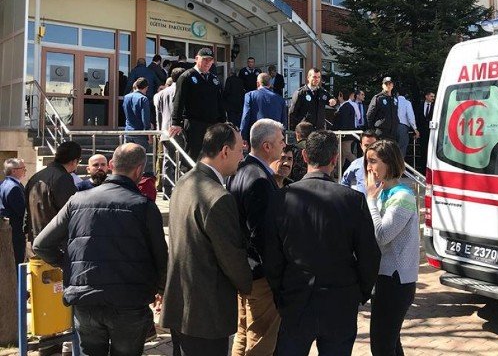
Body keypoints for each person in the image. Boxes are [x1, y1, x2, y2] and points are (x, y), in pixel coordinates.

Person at [33, 143, 167, 356]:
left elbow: (41, 244)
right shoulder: (144, 206)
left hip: (87, 299)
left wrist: (69, 265)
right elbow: (161, 256)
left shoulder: (77, 200)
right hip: (129, 301)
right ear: (139, 170)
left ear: (112, 165)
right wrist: (160, 289)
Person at [263, 130, 381, 355]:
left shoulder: (282, 197)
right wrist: (359, 292)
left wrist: (282, 292)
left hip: (297, 298)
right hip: (339, 301)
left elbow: (272, 255)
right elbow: (369, 255)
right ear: (335, 159)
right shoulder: (352, 200)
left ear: (304, 156)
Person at [160, 123, 252, 356]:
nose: (243, 157)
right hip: (206, 313)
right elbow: (230, 255)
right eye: (240, 150)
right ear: (224, 151)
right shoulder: (218, 197)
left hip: (181, 306)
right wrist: (248, 285)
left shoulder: (183, 182)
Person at [228, 119, 285, 356]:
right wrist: (276, 276)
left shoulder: (239, 170)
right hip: (260, 276)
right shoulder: (260, 179)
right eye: (281, 141)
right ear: (267, 146)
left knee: (243, 334)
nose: (285, 146)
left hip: (245, 270)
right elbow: (263, 235)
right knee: (261, 341)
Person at [364, 139, 420, 356]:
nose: (369, 167)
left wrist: (370, 200)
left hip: (397, 281)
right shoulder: (381, 194)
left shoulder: (403, 196)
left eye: (373, 161)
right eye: (367, 162)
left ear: (389, 162)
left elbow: (382, 235)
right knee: (389, 343)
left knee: (382, 346)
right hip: (383, 277)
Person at [170, 47, 226, 162]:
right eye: (205, 59)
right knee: (192, 156)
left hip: (212, 124)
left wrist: (223, 121)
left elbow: (220, 102)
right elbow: (179, 100)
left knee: (211, 156)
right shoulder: (187, 77)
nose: (208, 62)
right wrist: (175, 122)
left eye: (210, 60)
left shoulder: (214, 79)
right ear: (196, 59)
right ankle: (188, 178)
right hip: (194, 124)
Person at [24, 141, 80, 243]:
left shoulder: (35, 177)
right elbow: (70, 210)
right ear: (74, 161)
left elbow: (26, 210)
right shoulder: (63, 178)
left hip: (36, 237)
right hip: (54, 241)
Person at [155, 67, 185, 198]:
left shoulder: (162, 93)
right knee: (180, 161)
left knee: (168, 160)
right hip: (179, 131)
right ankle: (179, 189)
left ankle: (167, 189)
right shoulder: (181, 91)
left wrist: (160, 130)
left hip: (165, 131)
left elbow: (159, 114)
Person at [239, 73, 288, 142]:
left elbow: (245, 117)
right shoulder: (280, 99)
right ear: (270, 84)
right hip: (275, 138)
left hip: (256, 137)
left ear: (257, 83)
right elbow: (284, 122)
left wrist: (243, 137)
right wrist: (282, 140)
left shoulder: (250, 96)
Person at [0, 158, 27, 269]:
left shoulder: (4, 184)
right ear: (14, 171)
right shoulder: (14, 188)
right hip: (14, 232)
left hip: (8, 230)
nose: (25, 171)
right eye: (23, 169)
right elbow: (21, 211)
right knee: (16, 262)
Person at [341, 129, 379, 194]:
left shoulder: (384, 163)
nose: (370, 148)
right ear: (361, 146)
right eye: (366, 145)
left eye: (373, 145)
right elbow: (344, 182)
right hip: (362, 201)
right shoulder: (356, 164)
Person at [367, 77, 399, 141]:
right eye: (386, 84)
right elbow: (369, 115)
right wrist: (373, 130)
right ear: (382, 85)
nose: (388, 86)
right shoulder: (378, 98)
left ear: (392, 85)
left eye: (390, 84)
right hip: (381, 132)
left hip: (393, 132)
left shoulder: (394, 99)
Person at [414, 91, 435, 173]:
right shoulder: (419, 105)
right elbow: (417, 118)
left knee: (431, 151)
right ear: (426, 96)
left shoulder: (435, 106)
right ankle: (422, 171)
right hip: (422, 132)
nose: (433, 98)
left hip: (432, 132)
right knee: (423, 151)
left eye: (433, 96)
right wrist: (416, 131)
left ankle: (429, 170)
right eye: (431, 96)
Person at [396, 94, 419, 158]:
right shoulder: (407, 102)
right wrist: (415, 129)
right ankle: (399, 166)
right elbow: (410, 116)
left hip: (390, 127)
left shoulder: (392, 101)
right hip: (402, 127)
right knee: (401, 149)